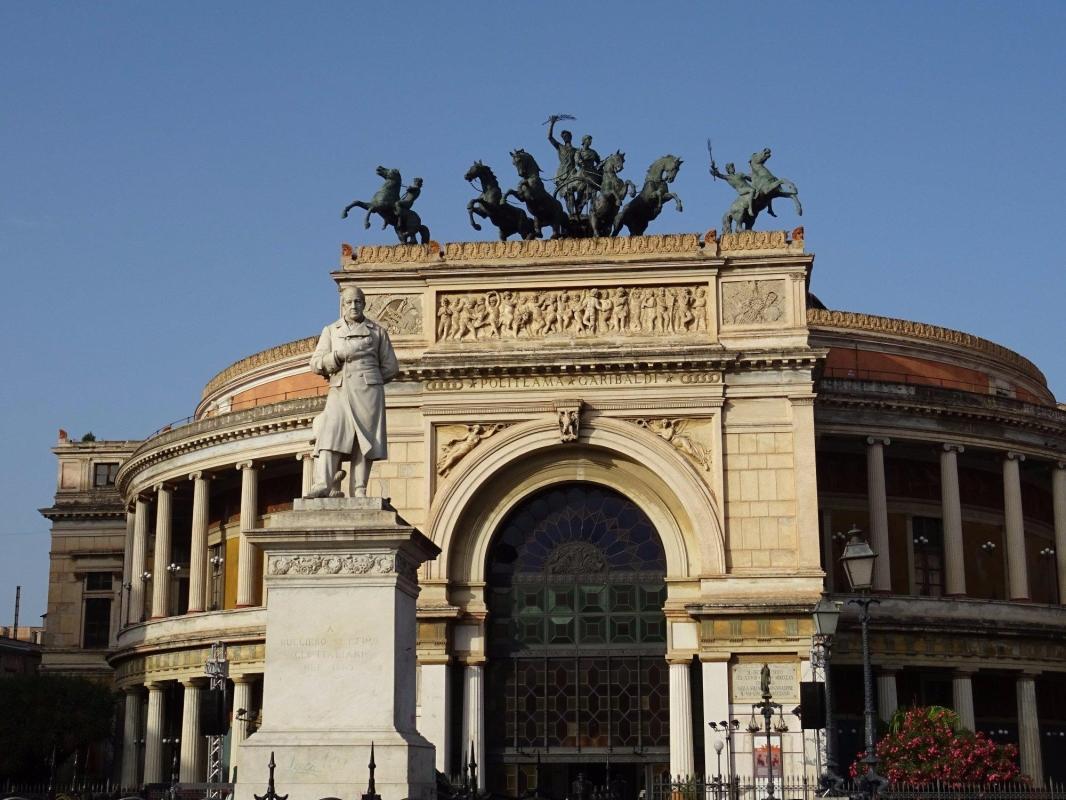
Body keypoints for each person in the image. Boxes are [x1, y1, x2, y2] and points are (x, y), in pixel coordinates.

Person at [306, 286, 399, 498]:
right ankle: (323, 483)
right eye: (349, 302)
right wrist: (335, 357)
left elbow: (391, 366)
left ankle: (359, 489)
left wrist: (370, 379)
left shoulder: (377, 332)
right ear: (343, 306)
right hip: (339, 390)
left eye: (358, 302)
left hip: (368, 392)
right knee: (330, 433)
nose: (354, 306)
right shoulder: (331, 331)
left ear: (364, 304)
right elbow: (315, 363)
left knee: (363, 440)